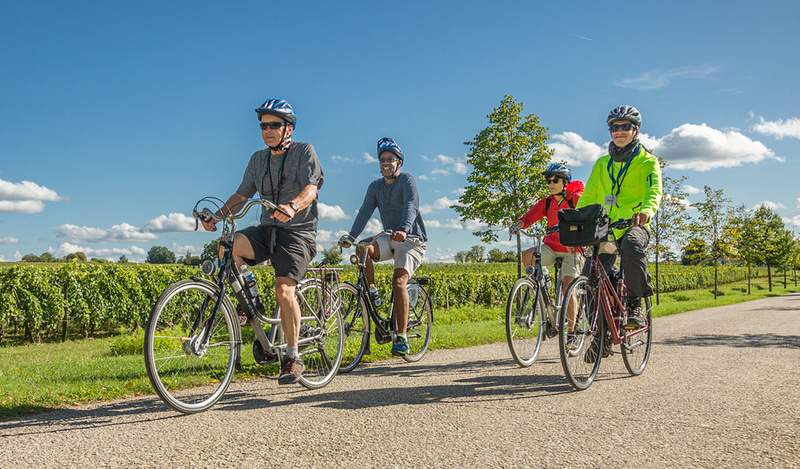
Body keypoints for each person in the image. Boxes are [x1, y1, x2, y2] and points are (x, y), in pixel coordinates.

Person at [201, 98, 324, 385]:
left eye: (274, 125)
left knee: (284, 290)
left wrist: (292, 206)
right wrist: (218, 216)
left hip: (298, 232)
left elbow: (311, 189)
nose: (267, 131)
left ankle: (292, 357)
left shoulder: (304, 151)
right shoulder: (258, 159)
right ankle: (250, 302)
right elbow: (242, 195)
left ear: (288, 128)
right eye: (263, 126)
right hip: (268, 229)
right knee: (227, 245)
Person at [577, 105, 662, 358]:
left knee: (632, 245)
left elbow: (653, 192)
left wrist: (646, 212)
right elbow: (589, 196)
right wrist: (576, 218)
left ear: (636, 130)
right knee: (591, 275)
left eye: (625, 127)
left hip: (634, 224)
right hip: (606, 227)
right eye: (615, 127)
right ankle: (601, 336)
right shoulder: (602, 163)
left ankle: (635, 303)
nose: (619, 132)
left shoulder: (647, 161)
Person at [339, 137, 427, 357]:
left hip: (411, 239)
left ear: (399, 162)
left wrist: (404, 228)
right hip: (390, 236)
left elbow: (411, 205)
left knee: (399, 282)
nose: (386, 163)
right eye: (382, 160)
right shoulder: (375, 187)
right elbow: (364, 212)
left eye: (390, 159)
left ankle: (402, 337)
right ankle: (372, 291)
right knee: (363, 248)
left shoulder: (406, 180)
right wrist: (351, 236)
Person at [513, 162, 584, 339]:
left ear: (565, 182)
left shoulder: (576, 199)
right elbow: (530, 216)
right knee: (528, 256)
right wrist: (519, 224)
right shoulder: (547, 203)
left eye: (555, 180)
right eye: (548, 181)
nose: (551, 184)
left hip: (573, 249)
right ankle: (543, 278)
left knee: (568, 287)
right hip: (551, 247)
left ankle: (572, 332)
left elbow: (587, 217)